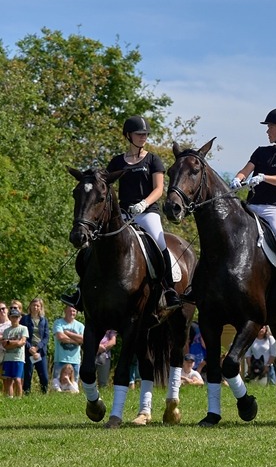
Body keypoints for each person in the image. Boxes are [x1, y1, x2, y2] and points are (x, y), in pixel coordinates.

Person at [61, 115, 180, 310]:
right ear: (128, 135)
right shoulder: (117, 162)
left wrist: (143, 204)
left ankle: (169, 289)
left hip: (147, 212)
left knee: (159, 243)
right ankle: (80, 290)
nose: (143, 137)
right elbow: (102, 184)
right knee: (91, 248)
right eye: (139, 134)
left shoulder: (153, 160)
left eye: (145, 134)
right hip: (123, 215)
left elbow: (159, 189)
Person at [230, 107, 276, 308]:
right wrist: (238, 178)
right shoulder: (260, 152)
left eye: (270, 126)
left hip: (273, 209)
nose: (267, 130)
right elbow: (246, 170)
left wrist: (264, 177)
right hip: (251, 206)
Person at [51, 306, 84, 392]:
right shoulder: (58, 323)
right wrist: (76, 341)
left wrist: (68, 333)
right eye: (69, 311)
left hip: (75, 360)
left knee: (73, 386)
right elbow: (60, 337)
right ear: (65, 311)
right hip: (60, 359)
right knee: (57, 385)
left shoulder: (80, 326)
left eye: (74, 311)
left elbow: (83, 339)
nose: (71, 313)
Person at [21, 297, 50, 394]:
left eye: (38, 305)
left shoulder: (44, 320)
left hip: (40, 352)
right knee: (27, 376)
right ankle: (26, 395)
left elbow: (46, 337)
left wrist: (37, 348)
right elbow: (22, 335)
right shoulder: (24, 319)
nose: (35, 307)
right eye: (34, 305)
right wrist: (30, 348)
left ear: (41, 307)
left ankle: (44, 394)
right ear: (30, 306)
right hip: (28, 351)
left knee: (44, 377)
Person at [2, 307, 28, 397]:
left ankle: (19, 398)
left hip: (18, 358)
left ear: (20, 318)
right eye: (13, 317)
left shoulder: (23, 329)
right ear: (10, 317)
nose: (15, 319)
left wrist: (10, 342)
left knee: (17, 379)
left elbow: (22, 342)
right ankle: (10, 398)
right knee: (8, 379)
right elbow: (5, 345)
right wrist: (15, 342)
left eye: (16, 317)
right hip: (8, 358)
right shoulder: (6, 331)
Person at [0, 301, 10, 369]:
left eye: (3, 308)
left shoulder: (12, 323)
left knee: (7, 379)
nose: (1, 311)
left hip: (9, 355)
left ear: (7, 310)